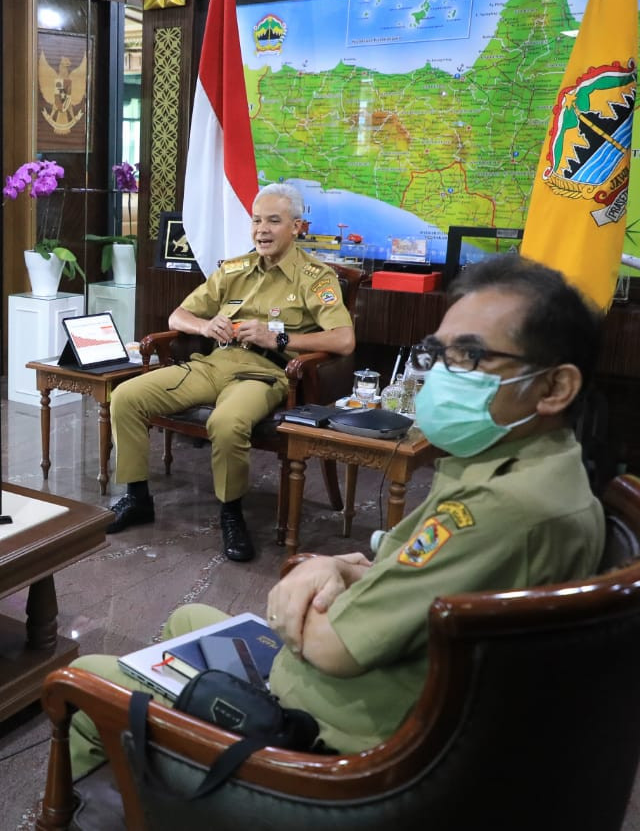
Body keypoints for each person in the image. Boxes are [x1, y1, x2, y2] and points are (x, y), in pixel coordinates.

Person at [66, 255, 605, 776]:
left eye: (467, 358)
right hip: (371, 672)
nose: (441, 375)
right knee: (186, 621)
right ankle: (154, 776)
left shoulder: (500, 508)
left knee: (82, 679)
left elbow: (333, 645)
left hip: (328, 737)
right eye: (437, 354)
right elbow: (427, 582)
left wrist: (310, 578)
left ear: (556, 387)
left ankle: (154, 785)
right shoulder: (531, 470)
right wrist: (342, 567)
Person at [106, 183, 355, 562]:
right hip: (214, 364)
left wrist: (279, 337)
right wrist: (205, 328)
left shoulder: (315, 277)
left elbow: (344, 340)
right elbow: (178, 316)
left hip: (263, 373)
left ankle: (231, 513)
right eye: (256, 221)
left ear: (297, 228)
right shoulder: (234, 269)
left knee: (226, 423)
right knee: (125, 396)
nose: (262, 230)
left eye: (274, 221)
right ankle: (138, 497)